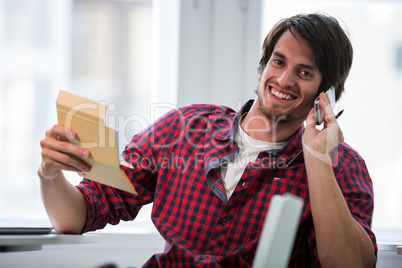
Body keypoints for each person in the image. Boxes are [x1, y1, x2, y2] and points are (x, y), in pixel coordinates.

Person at [38, 13, 377, 267]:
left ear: (326, 93)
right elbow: (76, 217)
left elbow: (349, 264)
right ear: (262, 67)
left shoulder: (341, 166)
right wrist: (51, 175)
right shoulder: (185, 128)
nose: (284, 80)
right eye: (278, 61)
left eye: (305, 73)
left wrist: (317, 157)